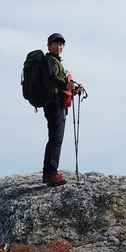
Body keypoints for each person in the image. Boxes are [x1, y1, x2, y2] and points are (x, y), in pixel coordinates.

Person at [40, 32, 84, 186]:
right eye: (55, 44)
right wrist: (66, 86)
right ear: (49, 46)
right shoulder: (48, 61)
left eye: (61, 44)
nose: (59, 47)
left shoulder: (56, 61)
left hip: (58, 103)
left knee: (55, 138)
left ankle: (48, 173)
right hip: (53, 104)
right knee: (56, 139)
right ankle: (51, 174)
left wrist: (74, 88)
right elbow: (52, 79)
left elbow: (61, 81)